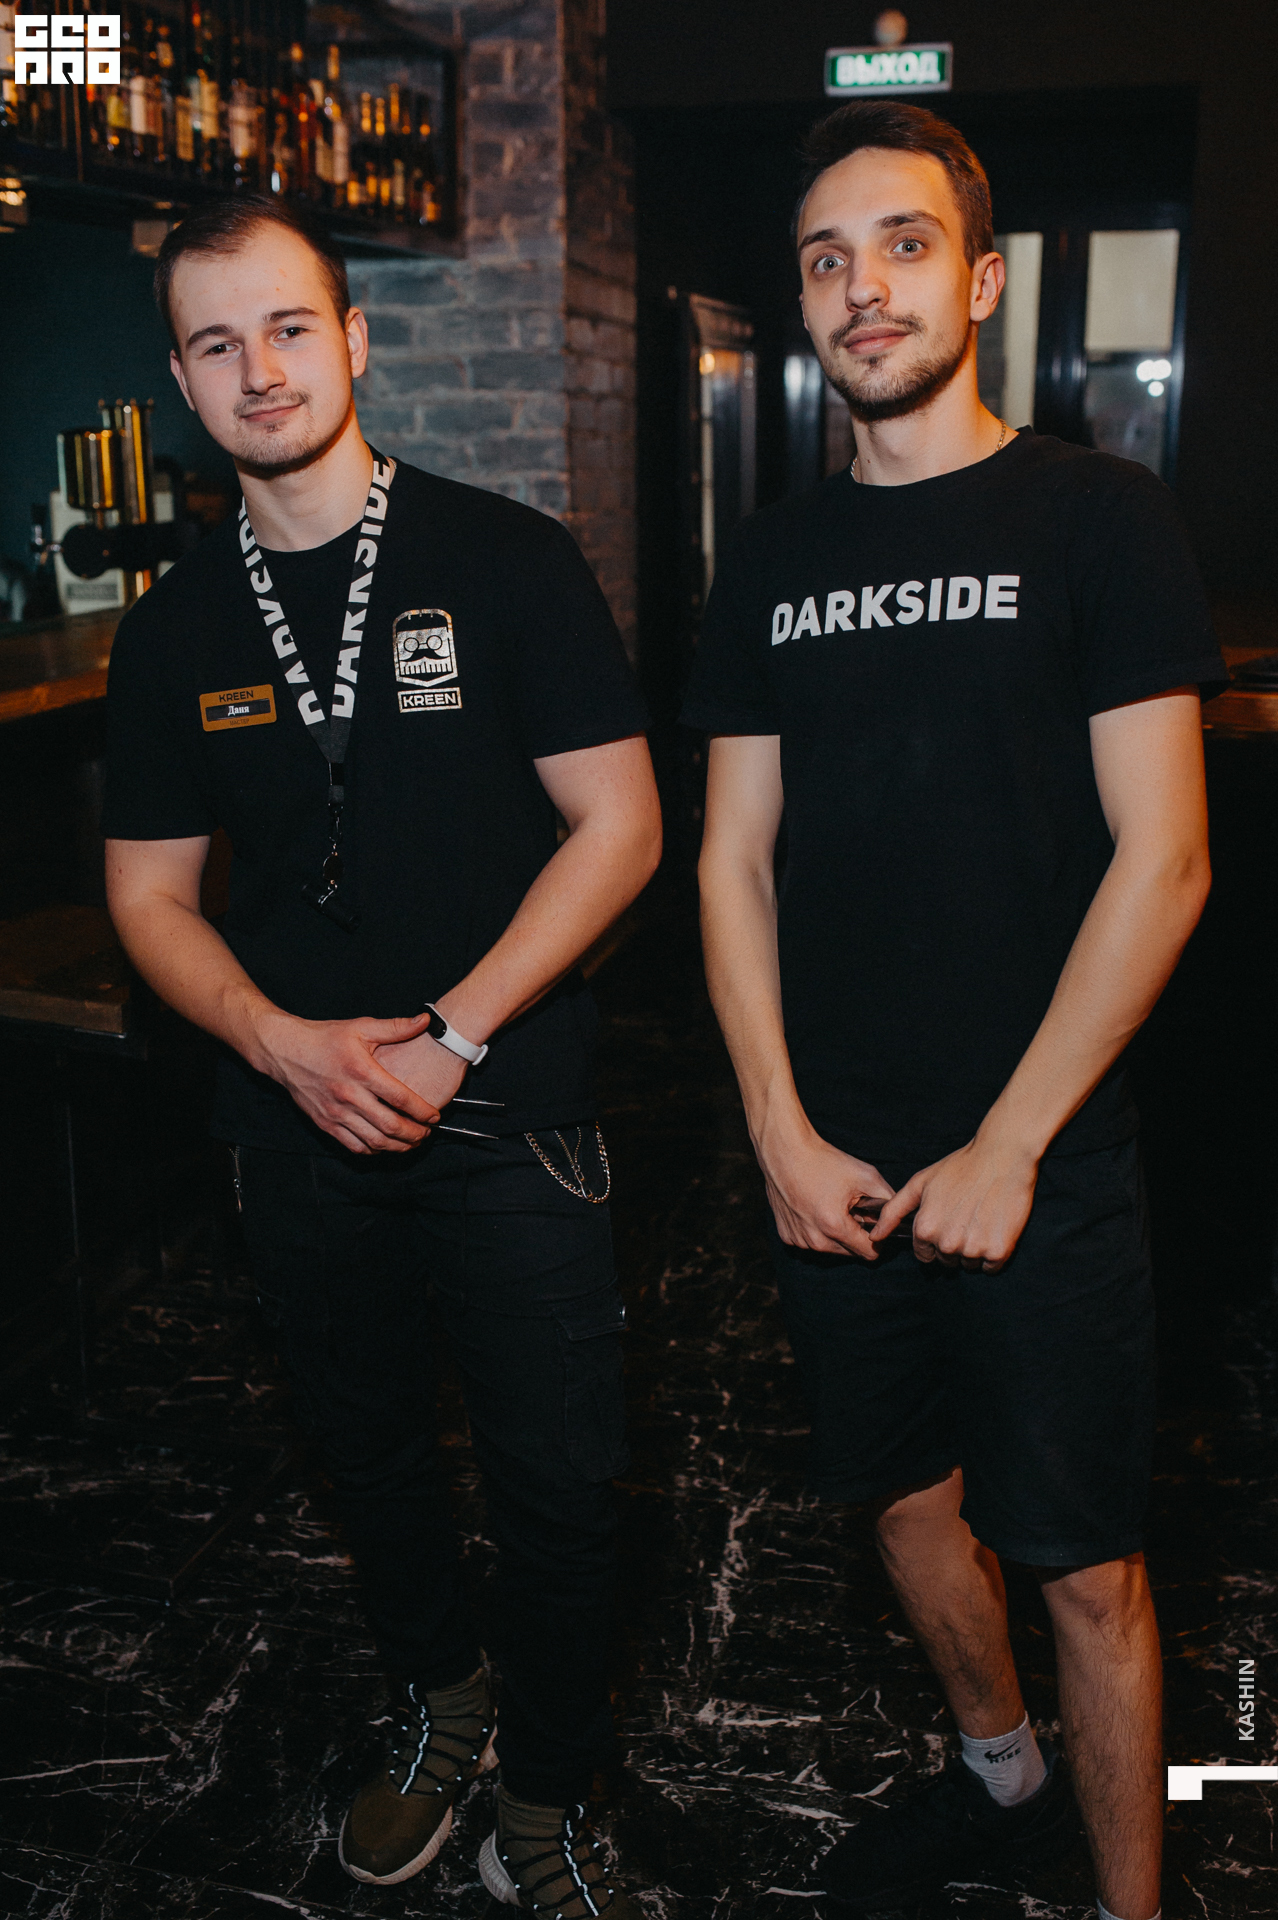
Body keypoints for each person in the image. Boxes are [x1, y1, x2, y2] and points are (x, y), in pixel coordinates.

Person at [684, 102, 1223, 1920]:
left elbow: (1164, 862)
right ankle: (999, 1777)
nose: (862, 286)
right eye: (825, 259)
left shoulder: (1098, 517)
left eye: (902, 245)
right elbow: (729, 861)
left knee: (1081, 1563)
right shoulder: (767, 561)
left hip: (1040, 1157)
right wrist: (773, 1126)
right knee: (904, 1501)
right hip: (835, 1154)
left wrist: (1011, 1142)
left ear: (980, 282)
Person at [103, 194, 659, 1916]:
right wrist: (277, 1044)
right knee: (369, 1461)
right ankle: (443, 1699)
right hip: (293, 1125)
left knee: (561, 1484)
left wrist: (457, 1034)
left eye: (288, 327)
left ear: (351, 340)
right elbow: (148, 898)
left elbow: (622, 828)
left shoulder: (505, 561)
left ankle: (549, 1786)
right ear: (184, 384)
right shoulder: (173, 625)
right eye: (216, 343)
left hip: (508, 1110)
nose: (259, 369)